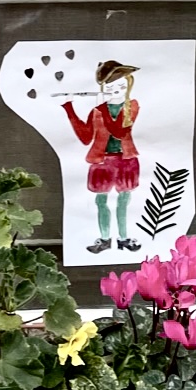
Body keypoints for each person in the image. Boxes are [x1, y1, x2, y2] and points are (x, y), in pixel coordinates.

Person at [63, 61, 142, 254]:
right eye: (110, 86)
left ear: (128, 85)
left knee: (123, 201)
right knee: (101, 201)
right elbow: (85, 137)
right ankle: (105, 239)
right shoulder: (97, 111)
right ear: (103, 88)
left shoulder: (131, 106)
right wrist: (69, 108)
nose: (116, 90)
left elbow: (119, 131)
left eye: (121, 85)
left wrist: (102, 108)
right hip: (102, 161)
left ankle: (123, 239)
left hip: (125, 161)